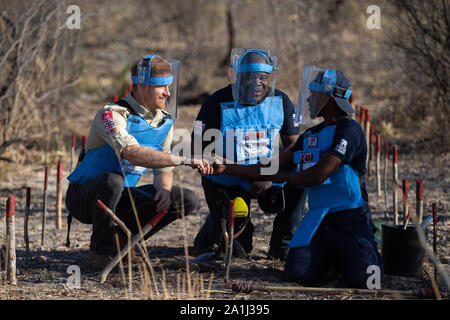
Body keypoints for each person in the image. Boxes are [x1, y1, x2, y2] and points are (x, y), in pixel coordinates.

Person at [204, 66, 383, 288]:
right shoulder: (310, 136)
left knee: (367, 281)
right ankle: (334, 258)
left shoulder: (350, 130)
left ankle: (357, 252)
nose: (308, 100)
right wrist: (227, 168)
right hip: (318, 219)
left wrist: (283, 175)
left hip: (350, 218)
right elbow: (269, 167)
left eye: (314, 94)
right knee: (296, 274)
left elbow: (317, 176)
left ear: (329, 99)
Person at [66, 55, 205, 270]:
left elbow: (163, 169)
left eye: (169, 86)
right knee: (113, 181)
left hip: (121, 195)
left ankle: (123, 241)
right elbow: (131, 153)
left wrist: (164, 191)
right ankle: (99, 252)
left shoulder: (163, 121)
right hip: (85, 196)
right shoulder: (112, 114)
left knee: (185, 199)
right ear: (141, 86)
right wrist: (184, 159)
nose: (168, 93)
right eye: (162, 87)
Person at [191, 48, 306, 260]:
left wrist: (269, 176)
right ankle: (213, 228)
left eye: (262, 77)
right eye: (249, 77)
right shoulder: (215, 102)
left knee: (299, 180)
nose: (257, 83)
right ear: (238, 76)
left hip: (268, 173)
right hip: (227, 178)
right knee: (238, 251)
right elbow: (197, 147)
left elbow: (293, 146)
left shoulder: (281, 100)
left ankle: (283, 244)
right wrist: (237, 170)